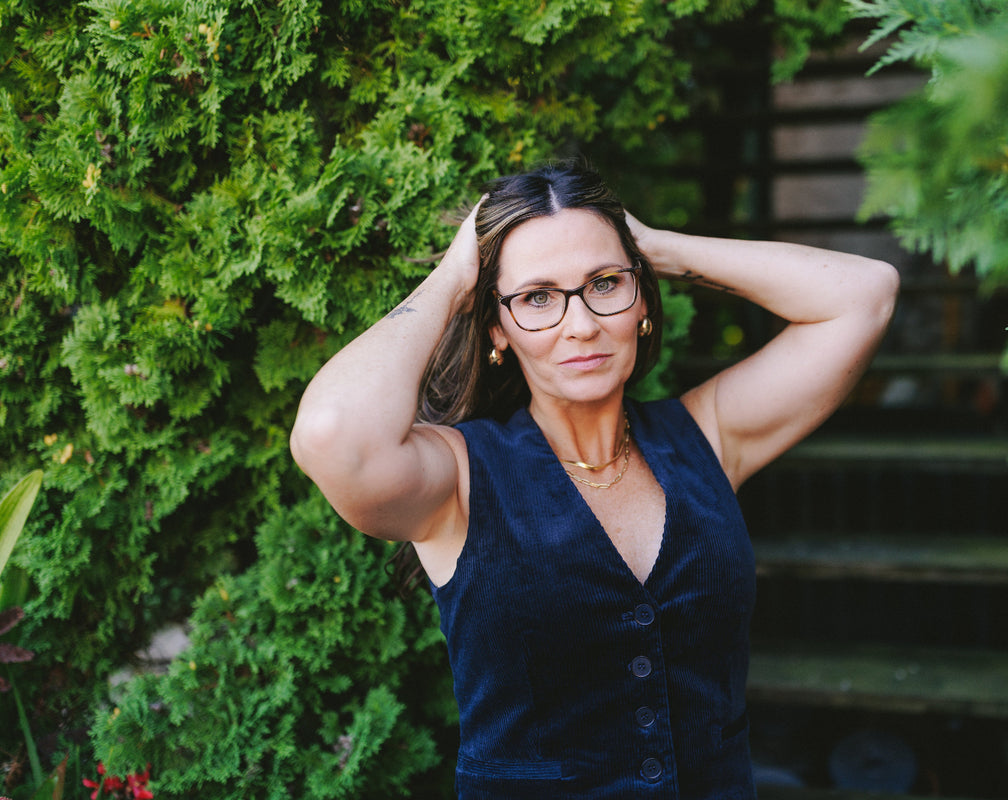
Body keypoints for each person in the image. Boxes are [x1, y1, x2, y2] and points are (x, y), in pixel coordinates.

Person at [290, 161, 898, 799]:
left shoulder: (708, 437)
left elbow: (864, 294)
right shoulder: (460, 480)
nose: (580, 324)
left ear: (638, 300)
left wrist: (653, 247)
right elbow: (333, 435)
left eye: (605, 283)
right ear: (496, 327)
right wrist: (454, 278)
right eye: (537, 297)